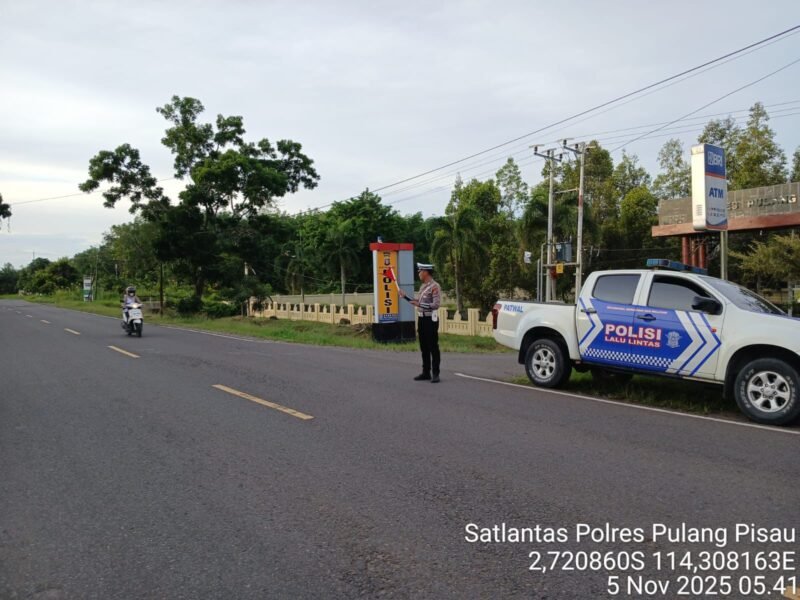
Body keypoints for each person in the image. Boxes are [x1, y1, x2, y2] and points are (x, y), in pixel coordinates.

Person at [399, 263, 442, 383]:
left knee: (433, 346)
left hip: (430, 320)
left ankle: (435, 373)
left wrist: (419, 304)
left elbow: (436, 305)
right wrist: (405, 297)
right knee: (424, 347)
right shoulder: (423, 287)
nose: (418, 273)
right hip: (421, 319)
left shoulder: (435, 286)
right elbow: (417, 302)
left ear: (426, 272)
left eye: (420, 271)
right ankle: (425, 372)